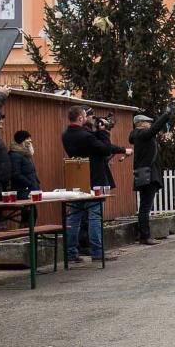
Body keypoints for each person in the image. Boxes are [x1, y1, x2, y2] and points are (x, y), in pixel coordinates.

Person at [61, 105, 127, 263]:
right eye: (85, 116)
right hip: (94, 179)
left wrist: (96, 132)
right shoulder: (86, 136)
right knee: (94, 216)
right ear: (80, 118)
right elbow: (104, 149)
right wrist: (103, 132)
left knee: (74, 217)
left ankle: (71, 253)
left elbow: (91, 145)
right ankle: (97, 252)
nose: (87, 118)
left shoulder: (66, 135)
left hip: (76, 178)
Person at [129, 106, 174, 245]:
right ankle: (145, 236)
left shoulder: (139, 136)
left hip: (146, 174)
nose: (149, 124)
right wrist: (166, 115)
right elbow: (155, 128)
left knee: (145, 206)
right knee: (145, 207)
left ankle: (144, 234)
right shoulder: (141, 134)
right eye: (147, 122)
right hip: (148, 175)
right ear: (140, 124)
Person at [8, 130, 40, 198]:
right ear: (21, 140)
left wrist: (36, 183)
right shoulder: (15, 155)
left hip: (30, 190)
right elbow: (15, 174)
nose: (30, 140)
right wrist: (29, 184)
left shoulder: (24, 154)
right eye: (27, 138)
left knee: (32, 208)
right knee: (28, 208)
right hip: (23, 192)